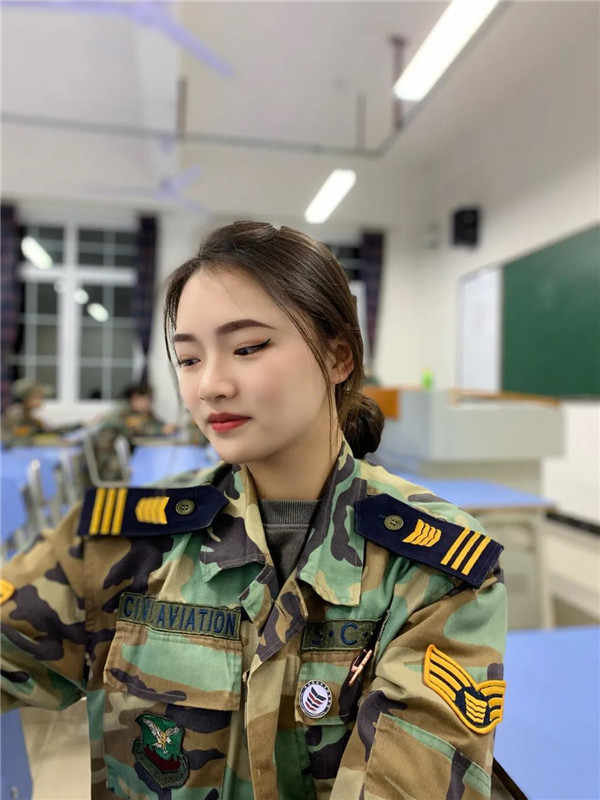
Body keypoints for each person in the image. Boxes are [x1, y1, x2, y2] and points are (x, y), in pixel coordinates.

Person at [1, 221, 514, 799]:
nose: (210, 386)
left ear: (338, 356)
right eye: (188, 359)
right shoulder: (123, 543)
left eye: (247, 348)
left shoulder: (431, 569)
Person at [1, 378, 50, 442]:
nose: (40, 400)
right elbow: (15, 433)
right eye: (36, 397)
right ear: (24, 398)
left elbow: (36, 425)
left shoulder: (28, 412)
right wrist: (34, 430)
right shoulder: (15, 412)